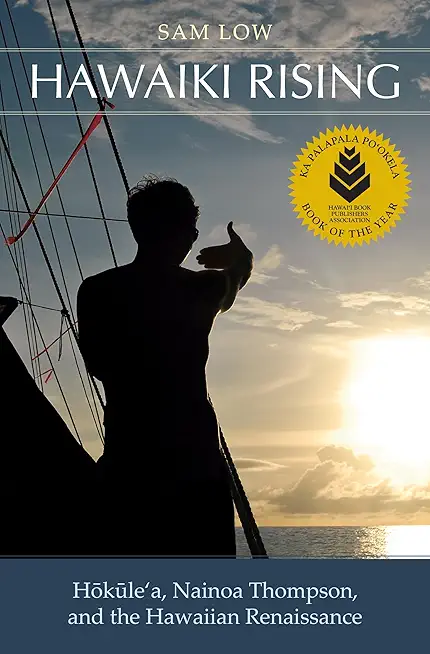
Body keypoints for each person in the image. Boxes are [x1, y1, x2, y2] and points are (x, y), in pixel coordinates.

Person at [76, 175, 253, 556]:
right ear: (185, 233)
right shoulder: (200, 289)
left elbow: (97, 364)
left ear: (136, 228)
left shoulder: (96, 291)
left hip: (127, 468)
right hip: (197, 473)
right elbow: (239, 275)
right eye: (192, 231)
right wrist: (239, 256)